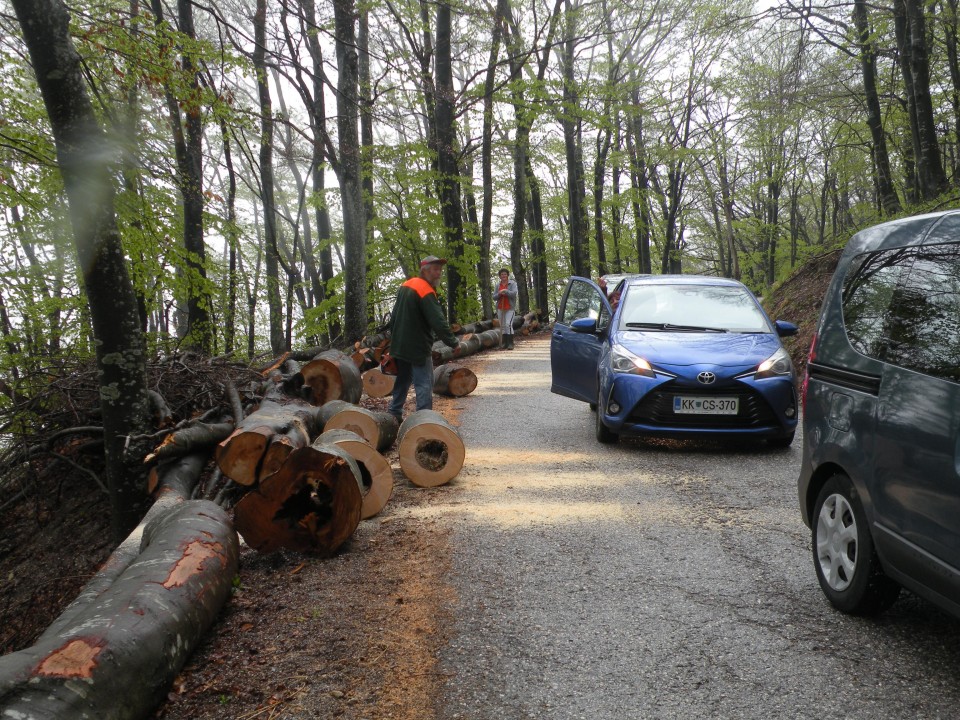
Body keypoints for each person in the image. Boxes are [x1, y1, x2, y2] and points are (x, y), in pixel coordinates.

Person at [387, 255, 460, 423]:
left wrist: (394, 341)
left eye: (440, 270)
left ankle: (394, 413)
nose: (438, 274)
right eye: (435, 270)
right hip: (418, 346)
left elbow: (394, 316)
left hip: (400, 344)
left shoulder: (407, 285)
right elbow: (438, 321)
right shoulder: (425, 290)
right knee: (424, 383)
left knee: (403, 379)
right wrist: (453, 342)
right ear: (425, 271)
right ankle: (424, 420)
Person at [493, 268, 518, 350]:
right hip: (500, 308)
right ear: (500, 276)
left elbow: (514, 294)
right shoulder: (498, 285)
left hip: (509, 308)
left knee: (508, 324)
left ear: (507, 275)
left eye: (505, 274)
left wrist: (506, 291)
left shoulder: (512, 283)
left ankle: (511, 343)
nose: (503, 276)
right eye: (502, 274)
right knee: (502, 325)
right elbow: (494, 297)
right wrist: (500, 293)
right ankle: (504, 343)